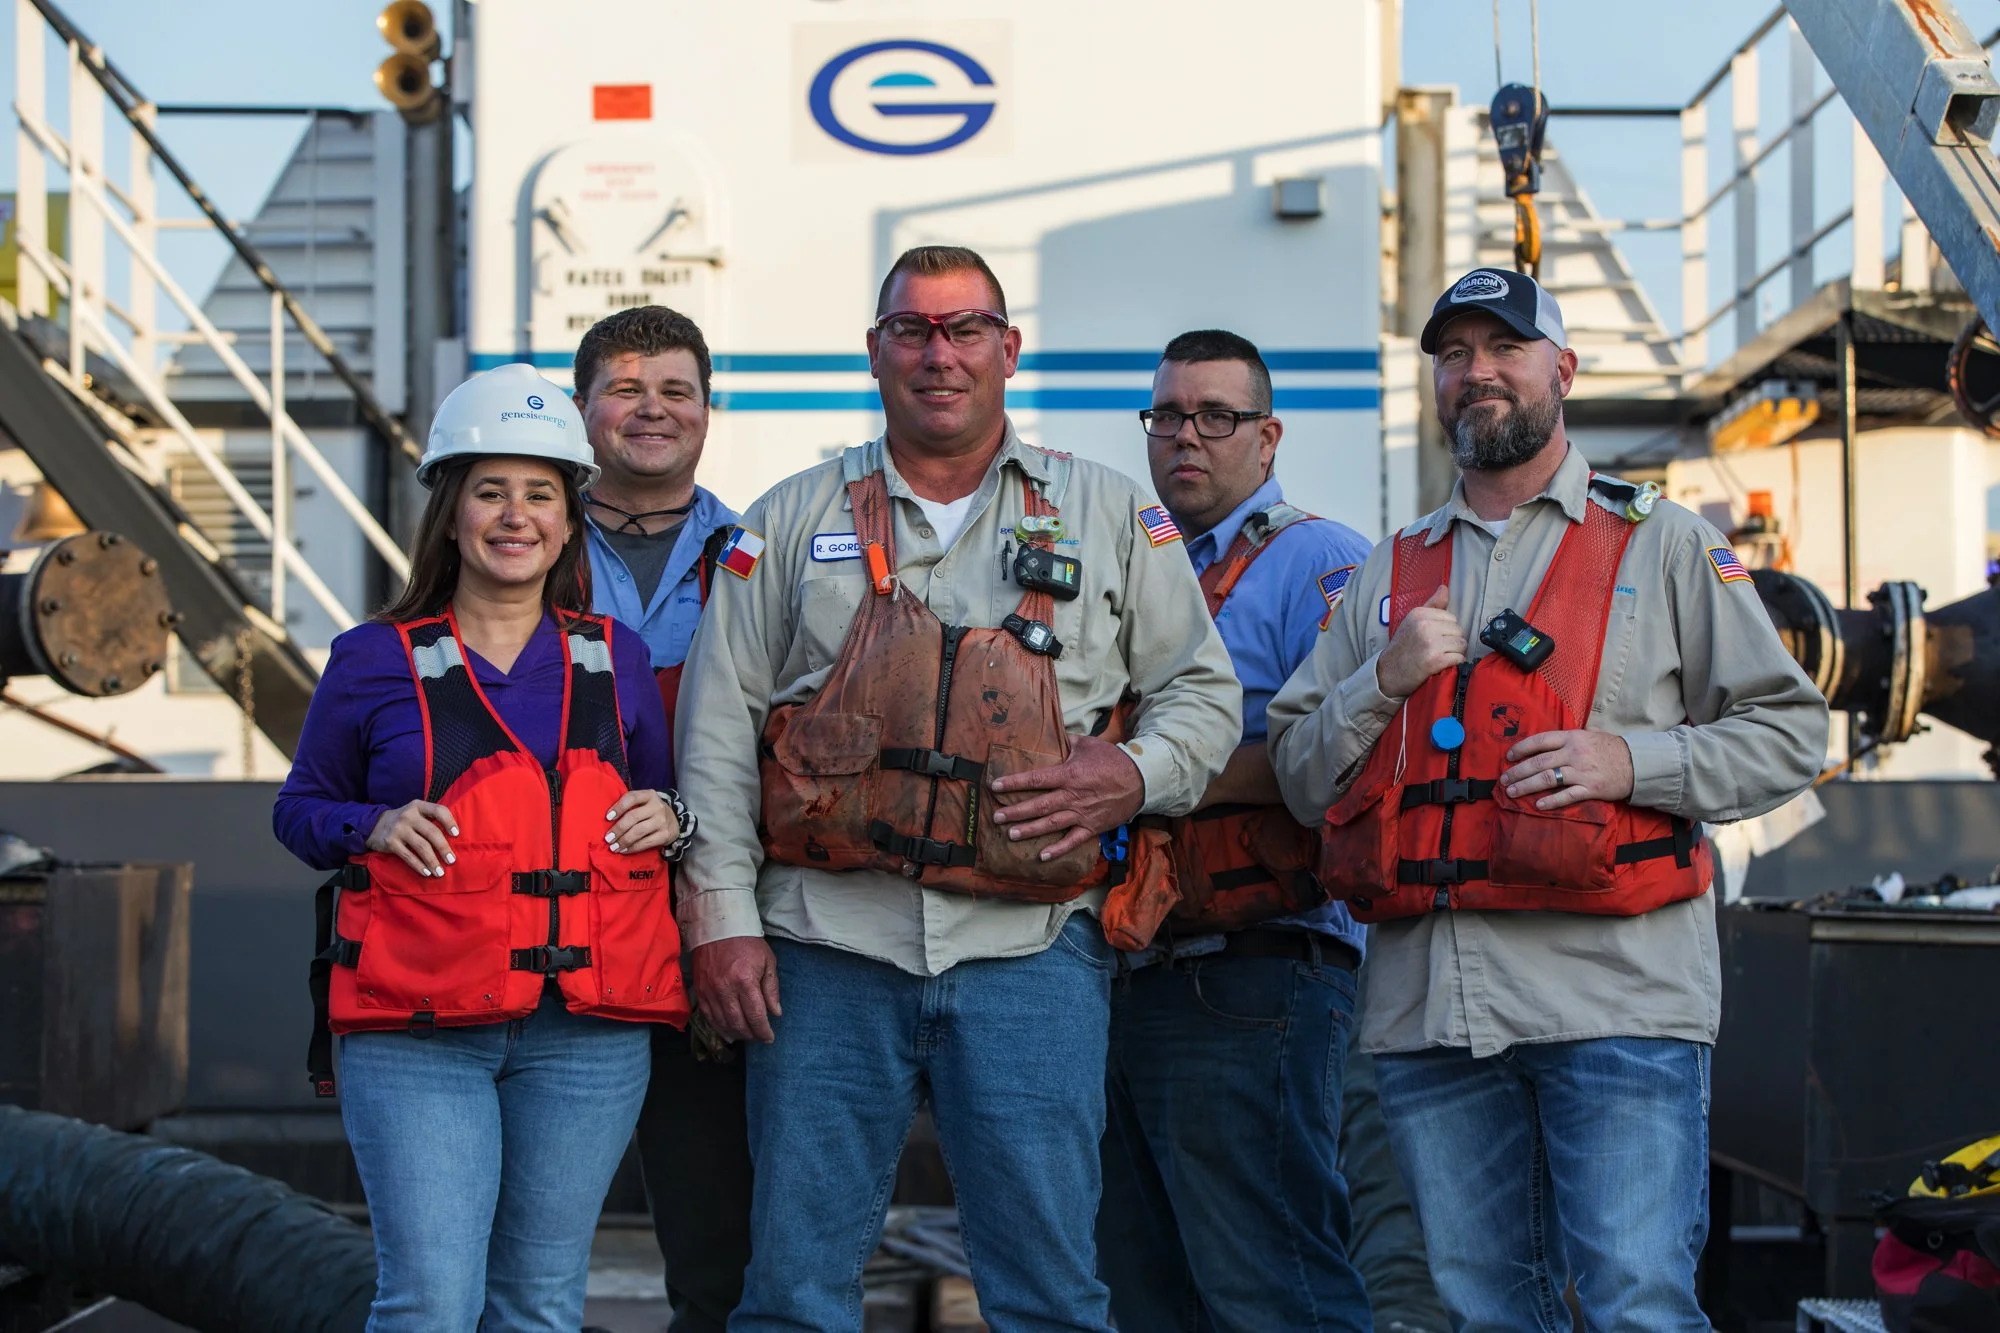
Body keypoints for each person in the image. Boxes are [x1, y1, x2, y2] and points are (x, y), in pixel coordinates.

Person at [674, 245, 1243, 1332]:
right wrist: (721, 923)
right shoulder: (787, 521)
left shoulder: (1111, 513)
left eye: (964, 328)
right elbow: (713, 732)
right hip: (823, 954)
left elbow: (1202, 696)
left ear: (1006, 349)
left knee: (1050, 1295)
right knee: (793, 1291)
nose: (940, 355)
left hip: (1030, 956)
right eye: (913, 330)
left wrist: (1131, 773)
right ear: (875, 352)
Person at [1268, 268, 1828, 1332]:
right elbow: (1298, 773)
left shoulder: (1661, 543)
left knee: (1636, 1306)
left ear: (1559, 371)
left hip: (1612, 1002)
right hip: (1433, 1018)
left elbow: (1790, 731)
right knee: (1481, 1311)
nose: (1474, 372)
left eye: (1502, 348)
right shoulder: (1388, 572)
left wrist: (1631, 763)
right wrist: (1378, 679)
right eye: (1452, 354)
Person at [274, 363, 693, 1332]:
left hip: (584, 1038)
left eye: (540, 494)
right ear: (451, 511)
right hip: (416, 1034)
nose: (516, 516)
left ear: (568, 516)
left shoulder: (616, 659)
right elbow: (299, 810)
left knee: (539, 1305)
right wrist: (368, 823)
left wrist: (674, 816)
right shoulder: (371, 659)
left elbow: (666, 795)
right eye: (490, 491)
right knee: (429, 1302)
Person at [1096, 328, 1374, 1332]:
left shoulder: (1323, 564)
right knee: (1142, 1294)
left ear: (1268, 437)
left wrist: (1141, 778)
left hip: (1254, 971)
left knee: (1273, 1288)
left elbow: (1346, 767)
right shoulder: (1125, 562)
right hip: (1123, 967)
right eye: (1166, 415)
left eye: (1216, 416)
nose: (1185, 437)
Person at [570, 305, 748, 1333]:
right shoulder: (522, 544)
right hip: (548, 936)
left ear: (707, 409)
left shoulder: (763, 558)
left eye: (675, 389)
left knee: (717, 1240)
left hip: (706, 938)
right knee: (528, 1235)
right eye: (627, 388)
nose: (652, 409)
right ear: (585, 406)